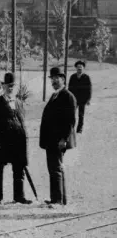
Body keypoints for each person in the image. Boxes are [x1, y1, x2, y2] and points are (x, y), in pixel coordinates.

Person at [0, 72, 32, 205]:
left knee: (19, 168)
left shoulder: (18, 103)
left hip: (18, 142)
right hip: (2, 142)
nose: (10, 88)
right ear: (3, 86)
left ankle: (19, 196)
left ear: (16, 87)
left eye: (12, 85)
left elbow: (22, 121)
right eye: (8, 85)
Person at [39, 67, 77, 207]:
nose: (54, 81)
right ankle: (58, 198)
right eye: (52, 78)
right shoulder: (55, 95)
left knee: (56, 168)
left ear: (63, 79)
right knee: (54, 168)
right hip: (51, 139)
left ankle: (58, 200)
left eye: (57, 78)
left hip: (58, 140)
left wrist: (64, 139)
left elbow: (70, 120)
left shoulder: (67, 96)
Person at [68, 60, 92, 134]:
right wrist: (69, 98)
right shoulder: (73, 77)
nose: (79, 68)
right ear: (76, 68)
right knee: (71, 114)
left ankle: (79, 129)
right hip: (74, 99)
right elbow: (69, 88)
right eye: (78, 67)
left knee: (81, 115)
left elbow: (89, 89)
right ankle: (71, 128)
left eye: (81, 67)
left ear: (83, 68)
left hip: (82, 99)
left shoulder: (86, 77)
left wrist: (88, 99)